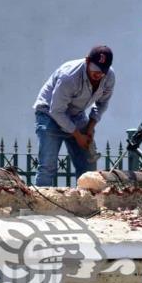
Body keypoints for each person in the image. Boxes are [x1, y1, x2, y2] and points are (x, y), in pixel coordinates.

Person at [33, 46, 115, 186]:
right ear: (87, 61)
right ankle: (41, 204)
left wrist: (90, 127)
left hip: (76, 114)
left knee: (89, 168)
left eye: (102, 71)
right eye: (95, 70)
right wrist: (78, 135)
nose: (98, 75)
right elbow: (57, 111)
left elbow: (102, 103)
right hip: (50, 114)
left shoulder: (109, 76)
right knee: (47, 166)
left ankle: (86, 203)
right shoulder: (69, 76)